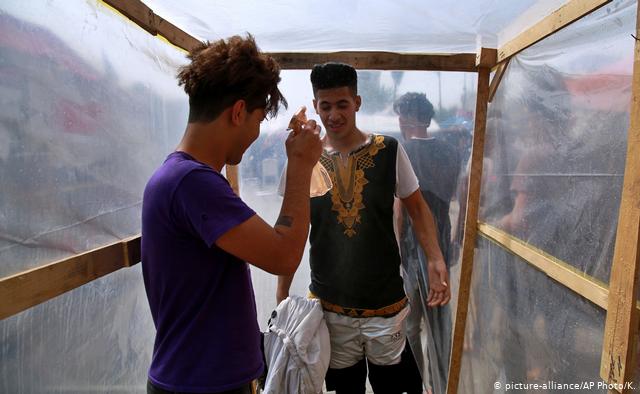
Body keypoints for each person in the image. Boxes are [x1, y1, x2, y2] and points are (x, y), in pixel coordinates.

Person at [140, 35, 323, 394]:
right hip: (200, 385)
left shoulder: (189, 178)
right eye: (256, 120)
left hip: (201, 378)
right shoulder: (193, 183)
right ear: (238, 112)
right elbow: (284, 255)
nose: (256, 133)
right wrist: (301, 164)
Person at [276, 63, 450, 394]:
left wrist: (435, 258)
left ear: (357, 102)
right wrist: (282, 291)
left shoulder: (388, 150)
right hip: (330, 310)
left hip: (385, 308)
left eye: (342, 104)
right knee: (345, 388)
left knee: (395, 387)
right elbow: (291, 228)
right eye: (325, 106)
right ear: (315, 106)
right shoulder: (303, 160)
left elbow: (417, 207)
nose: (334, 115)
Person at [392, 92, 460, 393]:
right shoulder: (451, 151)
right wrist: (453, 240)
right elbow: (461, 197)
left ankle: (417, 386)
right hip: (441, 246)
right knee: (440, 328)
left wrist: (397, 254)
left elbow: (400, 211)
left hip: (411, 248)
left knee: (410, 325)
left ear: (406, 117)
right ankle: (443, 384)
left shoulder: (402, 152)